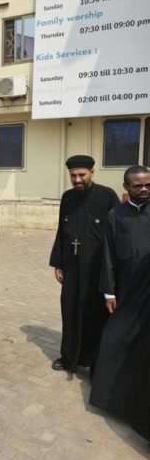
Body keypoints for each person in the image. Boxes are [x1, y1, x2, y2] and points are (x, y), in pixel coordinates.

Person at [90, 165, 150, 440]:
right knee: (116, 340)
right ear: (126, 187)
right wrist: (109, 292)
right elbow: (108, 255)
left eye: (148, 184)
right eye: (138, 185)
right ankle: (109, 397)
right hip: (127, 289)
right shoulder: (116, 215)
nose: (144, 189)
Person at [50, 155, 119, 374]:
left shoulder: (107, 196)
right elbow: (61, 230)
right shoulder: (67, 197)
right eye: (73, 176)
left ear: (92, 172)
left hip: (97, 268)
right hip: (71, 266)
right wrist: (58, 263)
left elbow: (117, 234)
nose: (77, 179)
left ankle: (95, 362)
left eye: (82, 175)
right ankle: (69, 357)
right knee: (70, 310)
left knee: (95, 314)